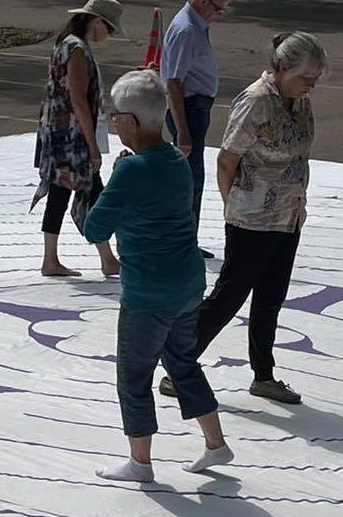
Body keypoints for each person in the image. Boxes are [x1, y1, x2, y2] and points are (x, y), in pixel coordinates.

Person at [159, 32, 328, 404]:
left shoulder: (299, 100)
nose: (311, 85)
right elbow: (226, 159)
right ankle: (178, 365)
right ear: (282, 68)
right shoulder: (254, 102)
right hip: (251, 219)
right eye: (306, 77)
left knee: (271, 297)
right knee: (228, 296)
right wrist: (230, 208)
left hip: (288, 216)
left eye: (315, 78)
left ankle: (263, 375)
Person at [85, 70, 233, 483]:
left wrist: (117, 179)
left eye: (114, 116)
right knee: (183, 363)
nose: (112, 122)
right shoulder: (176, 159)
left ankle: (140, 462)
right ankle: (216, 444)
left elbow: (94, 227)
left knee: (133, 374)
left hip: (149, 290)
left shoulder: (131, 170)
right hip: (187, 284)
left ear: (131, 121)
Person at [30, 0, 122, 277]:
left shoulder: (66, 44)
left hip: (59, 132)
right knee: (92, 190)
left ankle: (59, 259)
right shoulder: (77, 49)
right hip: (71, 136)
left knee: (69, 190)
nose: (110, 35)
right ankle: (105, 258)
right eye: (110, 28)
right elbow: (79, 100)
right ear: (96, 22)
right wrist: (93, 146)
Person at [160, 0, 232, 259]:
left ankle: (186, 239)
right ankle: (182, 241)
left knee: (192, 179)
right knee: (189, 181)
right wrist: (182, 131)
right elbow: (174, 84)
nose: (220, 14)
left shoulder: (195, 26)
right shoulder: (186, 30)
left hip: (195, 108)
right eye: (218, 9)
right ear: (203, 1)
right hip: (188, 110)